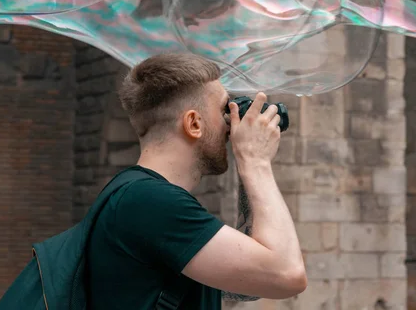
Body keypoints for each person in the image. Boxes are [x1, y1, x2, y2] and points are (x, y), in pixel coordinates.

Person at [85, 52, 307, 309]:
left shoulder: (139, 197)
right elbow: (287, 274)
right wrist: (255, 161)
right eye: (225, 109)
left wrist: (249, 168)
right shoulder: (150, 202)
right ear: (193, 123)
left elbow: (249, 285)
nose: (231, 123)